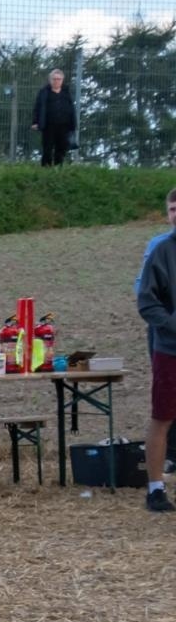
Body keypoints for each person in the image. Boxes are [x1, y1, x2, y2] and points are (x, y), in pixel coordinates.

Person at [135, 188, 176, 507]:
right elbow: (147, 303)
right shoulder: (161, 252)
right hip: (170, 349)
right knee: (162, 416)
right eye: (173, 210)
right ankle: (155, 489)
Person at [32, 69, 76, 167]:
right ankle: (46, 168)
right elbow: (37, 107)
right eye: (54, 79)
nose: (56, 81)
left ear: (62, 80)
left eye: (59, 79)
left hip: (64, 125)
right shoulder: (44, 92)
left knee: (62, 147)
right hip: (48, 125)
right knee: (47, 147)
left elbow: (71, 108)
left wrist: (73, 123)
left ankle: (58, 167)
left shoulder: (66, 92)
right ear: (50, 80)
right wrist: (35, 122)